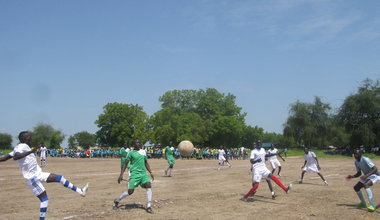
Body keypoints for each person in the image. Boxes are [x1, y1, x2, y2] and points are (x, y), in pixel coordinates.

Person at [11, 131, 89, 220]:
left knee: (60, 178)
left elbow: (7, 157)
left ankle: (80, 191)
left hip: (38, 174)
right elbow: (15, 157)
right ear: (24, 139)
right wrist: (32, 150)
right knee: (44, 199)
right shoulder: (22, 146)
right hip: (32, 178)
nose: (31, 138)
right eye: (29, 137)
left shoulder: (23, 147)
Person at [113, 139, 155, 214]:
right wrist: (121, 174)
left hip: (143, 174)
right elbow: (125, 164)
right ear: (134, 144)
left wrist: (150, 172)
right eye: (136, 142)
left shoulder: (143, 151)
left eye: (139, 142)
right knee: (130, 191)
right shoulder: (130, 153)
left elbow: (146, 163)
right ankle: (117, 200)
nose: (138, 144)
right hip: (135, 174)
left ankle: (149, 206)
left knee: (148, 185)